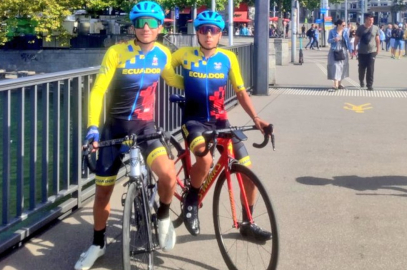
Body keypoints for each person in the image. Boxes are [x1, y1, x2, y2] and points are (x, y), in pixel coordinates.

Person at [73, 2, 183, 270]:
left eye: (151, 22)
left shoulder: (163, 54)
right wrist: (92, 128)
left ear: (159, 27)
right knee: (102, 193)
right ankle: (98, 245)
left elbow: (172, 79)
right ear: (133, 26)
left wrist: (198, 85)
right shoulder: (116, 53)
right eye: (141, 22)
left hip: (145, 128)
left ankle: (164, 216)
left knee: (168, 175)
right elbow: (98, 90)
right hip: (115, 127)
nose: (146, 27)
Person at [170, 10, 273, 241]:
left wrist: (256, 119)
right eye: (204, 30)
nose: (208, 35)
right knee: (205, 160)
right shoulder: (185, 54)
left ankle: (248, 222)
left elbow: (240, 91)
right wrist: (182, 83)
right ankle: (191, 200)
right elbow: (163, 67)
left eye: (213, 31)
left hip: (220, 120)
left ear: (219, 34)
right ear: (197, 33)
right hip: (194, 121)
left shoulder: (228, 58)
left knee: (247, 169)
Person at [354, 13, 380, 91]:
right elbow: (356, 39)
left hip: (372, 51)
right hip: (361, 51)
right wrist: (355, 48)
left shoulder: (375, 28)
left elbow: (377, 39)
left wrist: (378, 49)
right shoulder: (360, 28)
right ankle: (361, 80)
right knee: (361, 68)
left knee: (370, 68)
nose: (371, 22)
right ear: (366, 20)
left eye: (372, 20)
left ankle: (369, 85)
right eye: (369, 20)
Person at [327, 19, 353, 90]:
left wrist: (350, 51)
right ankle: (335, 84)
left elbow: (347, 41)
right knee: (335, 66)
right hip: (334, 50)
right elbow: (328, 40)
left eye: (345, 25)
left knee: (342, 66)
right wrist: (334, 39)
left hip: (343, 50)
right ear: (338, 25)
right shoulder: (332, 31)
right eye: (343, 25)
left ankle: (339, 83)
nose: (344, 26)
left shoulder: (345, 31)